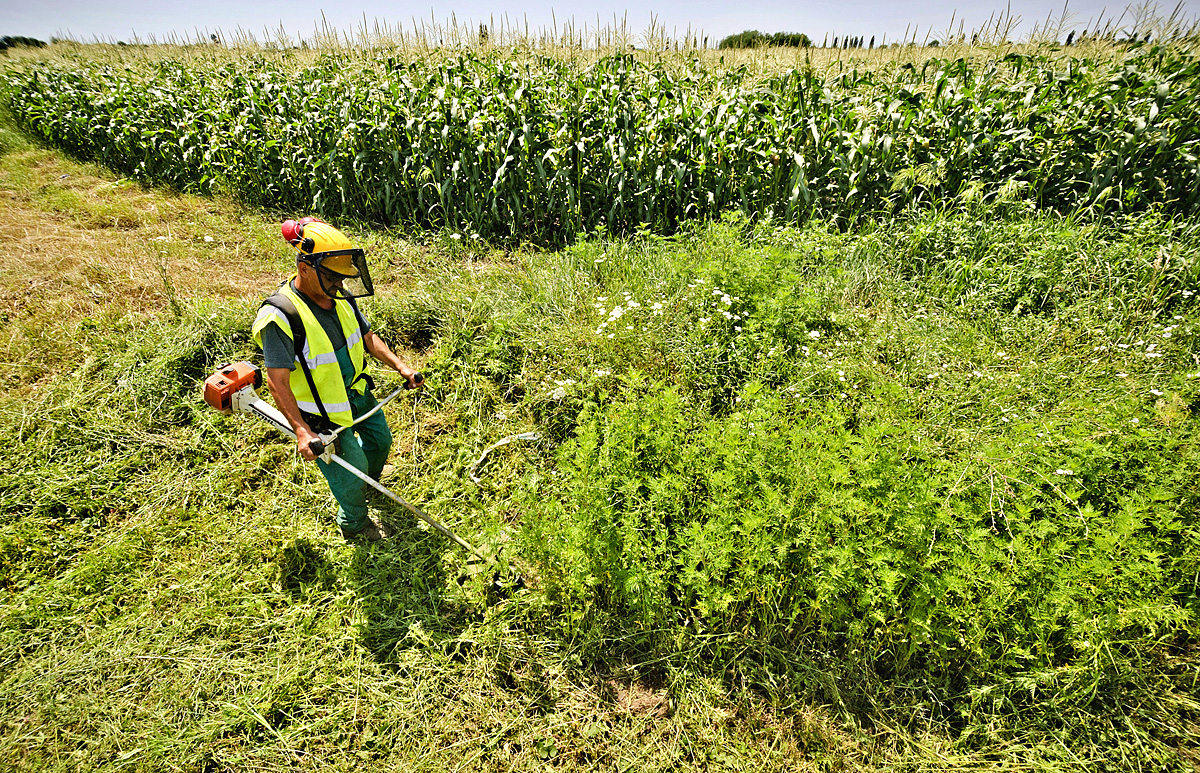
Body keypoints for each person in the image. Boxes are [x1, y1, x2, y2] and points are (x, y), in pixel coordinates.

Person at [251, 218, 422, 542]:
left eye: (342, 276)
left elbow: (366, 336)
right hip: (322, 412)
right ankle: (354, 523)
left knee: (380, 442)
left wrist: (401, 366)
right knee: (348, 470)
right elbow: (277, 382)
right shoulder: (281, 315)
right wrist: (302, 431)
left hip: (357, 393)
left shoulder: (339, 295)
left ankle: (369, 485)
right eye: (332, 276)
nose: (339, 284)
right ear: (304, 266)